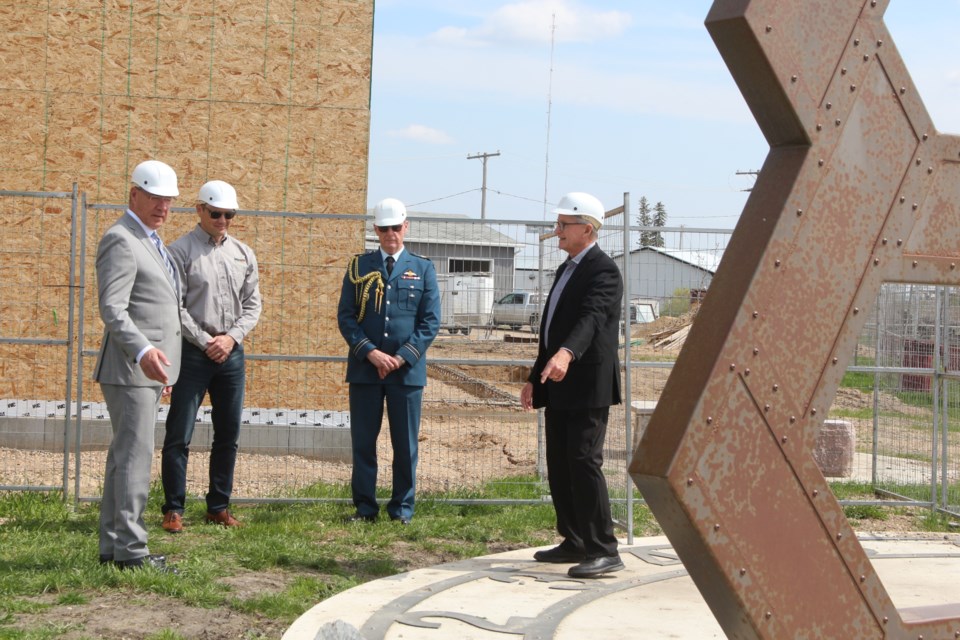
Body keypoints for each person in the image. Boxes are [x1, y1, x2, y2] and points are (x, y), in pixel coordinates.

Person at [520, 192, 625, 579]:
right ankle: (575, 539)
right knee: (561, 464)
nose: (557, 231)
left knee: (583, 461)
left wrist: (566, 354)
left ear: (587, 228)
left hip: (587, 382)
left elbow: (591, 318)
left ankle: (604, 548)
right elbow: (551, 331)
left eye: (564, 225)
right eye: (558, 224)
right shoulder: (567, 268)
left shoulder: (603, 271)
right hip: (558, 381)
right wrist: (535, 378)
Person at [93, 159, 182, 572]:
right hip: (131, 368)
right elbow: (113, 309)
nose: (162, 207)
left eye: (168, 201)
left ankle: (113, 547)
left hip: (144, 371)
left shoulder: (148, 239)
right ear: (133, 194)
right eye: (154, 198)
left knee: (124, 456)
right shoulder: (122, 239)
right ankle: (132, 551)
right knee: (134, 457)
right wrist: (145, 351)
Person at [160, 180, 262, 532]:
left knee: (228, 433)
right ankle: (173, 508)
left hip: (231, 355)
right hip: (193, 353)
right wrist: (206, 341)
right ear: (199, 209)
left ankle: (218, 506)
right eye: (216, 213)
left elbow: (252, 305)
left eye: (229, 215)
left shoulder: (243, 253)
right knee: (179, 433)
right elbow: (176, 306)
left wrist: (230, 339)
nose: (223, 220)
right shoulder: (179, 252)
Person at [336, 198, 441, 525]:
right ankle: (365, 509)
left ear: (405, 227)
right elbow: (346, 317)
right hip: (366, 370)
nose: (391, 234)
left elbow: (430, 322)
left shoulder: (423, 268)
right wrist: (371, 352)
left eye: (396, 227)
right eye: (384, 228)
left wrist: (399, 358)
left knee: (405, 445)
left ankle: (402, 510)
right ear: (375, 230)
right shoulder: (359, 267)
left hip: (406, 374)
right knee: (363, 444)